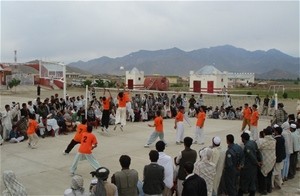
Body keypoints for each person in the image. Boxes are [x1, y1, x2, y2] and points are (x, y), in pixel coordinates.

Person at [257, 126, 276, 195]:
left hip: (264, 160)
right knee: (269, 175)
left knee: (263, 176)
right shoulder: (274, 141)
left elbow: (257, 147)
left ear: (264, 133)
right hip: (272, 160)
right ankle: (269, 188)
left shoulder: (261, 141)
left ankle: (263, 189)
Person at [272, 126, 286, 190]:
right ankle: (279, 183)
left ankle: (273, 185)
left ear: (276, 132)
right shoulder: (282, 138)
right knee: (278, 171)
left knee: (274, 173)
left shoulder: (276, 140)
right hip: (281, 157)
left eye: (274, 131)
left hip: (277, 158)